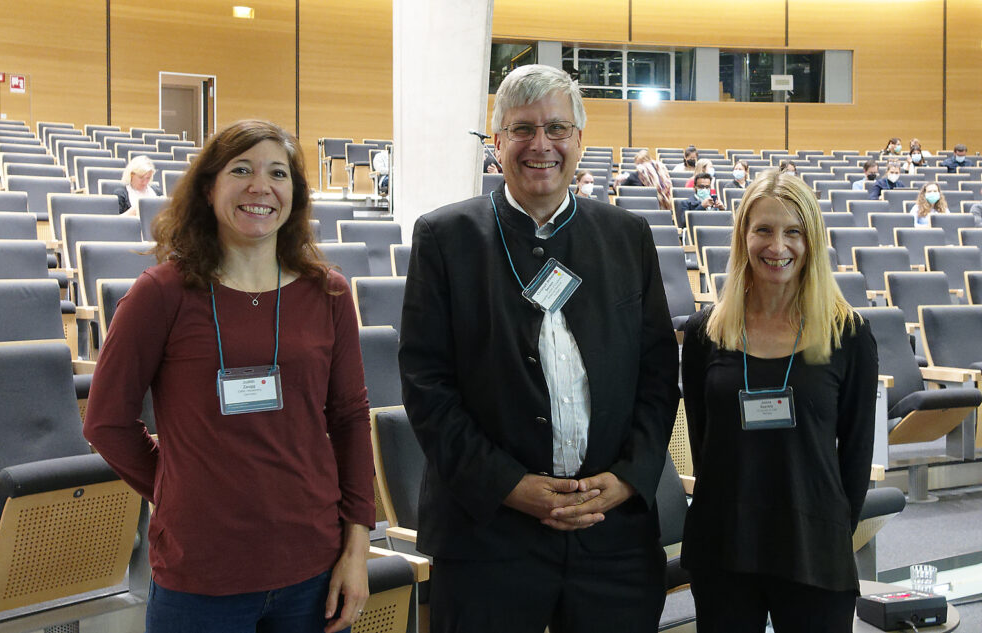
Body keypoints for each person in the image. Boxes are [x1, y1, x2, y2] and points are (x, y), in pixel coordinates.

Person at [398, 64, 679, 633]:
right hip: (488, 536)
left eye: (557, 128)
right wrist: (509, 486)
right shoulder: (445, 238)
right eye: (522, 129)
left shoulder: (627, 236)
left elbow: (656, 377)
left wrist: (627, 478)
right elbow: (428, 390)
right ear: (497, 143)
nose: (541, 145)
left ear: (580, 140)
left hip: (612, 535)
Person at [83, 120, 373, 633]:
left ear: (294, 195)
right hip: (201, 574)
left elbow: (349, 420)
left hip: (313, 566)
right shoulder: (161, 293)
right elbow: (106, 421)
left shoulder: (326, 293)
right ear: (209, 187)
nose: (260, 187)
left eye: (277, 173)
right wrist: (178, 490)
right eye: (241, 169)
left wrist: (356, 548)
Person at [680, 170, 878, 633]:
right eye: (763, 230)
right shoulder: (705, 333)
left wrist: (830, 535)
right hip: (725, 543)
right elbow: (704, 438)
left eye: (794, 232)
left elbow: (855, 457)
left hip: (814, 547)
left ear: (812, 241)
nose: (778, 246)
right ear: (742, 237)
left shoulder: (847, 334)